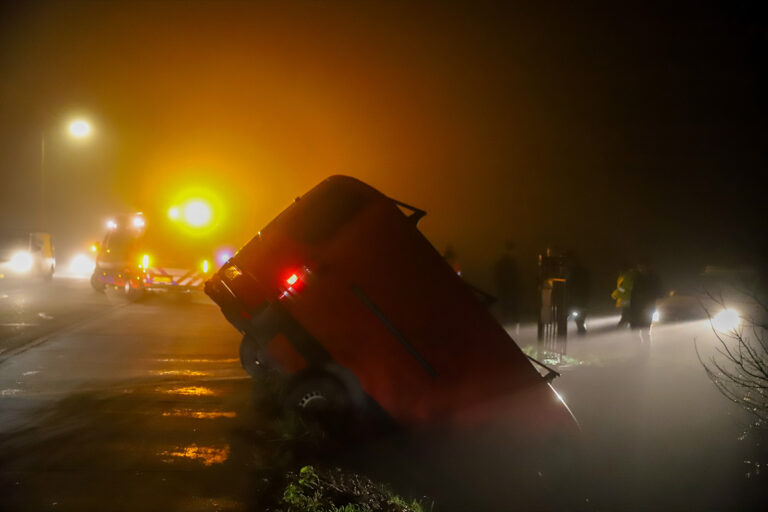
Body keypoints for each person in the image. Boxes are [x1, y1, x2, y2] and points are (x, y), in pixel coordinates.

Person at [494, 240, 520, 326]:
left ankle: (508, 322)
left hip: (507, 287)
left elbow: (499, 275)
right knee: (509, 305)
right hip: (508, 287)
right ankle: (511, 323)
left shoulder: (503, 261)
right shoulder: (510, 262)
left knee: (507, 305)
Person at [628, 264, 662, 329]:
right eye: (640, 267)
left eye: (643, 267)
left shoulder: (652, 277)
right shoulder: (637, 277)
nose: (642, 268)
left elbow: (659, 289)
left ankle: (644, 335)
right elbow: (633, 291)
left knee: (646, 323)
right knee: (638, 323)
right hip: (640, 303)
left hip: (648, 303)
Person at [566, 252, 590, 335]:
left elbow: (570, 284)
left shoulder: (573, 272)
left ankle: (581, 329)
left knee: (578, 314)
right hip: (581, 297)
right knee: (580, 314)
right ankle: (581, 328)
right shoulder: (582, 271)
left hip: (577, 297)